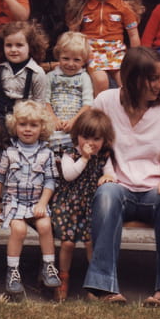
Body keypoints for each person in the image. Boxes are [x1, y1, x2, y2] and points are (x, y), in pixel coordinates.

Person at [83, 46, 160, 306]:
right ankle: (104, 288)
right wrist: (105, 170)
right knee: (106, 195)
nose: (159, 84)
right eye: (152, 78)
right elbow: (92, 142)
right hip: (118, 185)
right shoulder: (105, 101)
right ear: (132, 78)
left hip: (154, 190)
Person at [0, 99, 61, 297]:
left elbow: (50, 181)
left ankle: (49, 266)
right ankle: (13, 271)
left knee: (45, 225)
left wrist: (43, 203)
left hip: (37, 202)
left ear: (42, 127)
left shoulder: (46, 153)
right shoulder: (9, 152)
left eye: (33, 125)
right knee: (19, 230)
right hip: (14, 202)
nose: (28, 129)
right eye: (23, 124)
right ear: (15, 126)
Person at [50, 108, 115, 302]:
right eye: (85, 137)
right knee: (68, 243)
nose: (90, 143)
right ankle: (63, 277)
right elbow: (69, 175)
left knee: (90, 243)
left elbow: (110, 173)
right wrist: (85, 158)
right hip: (68, 204)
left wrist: (107, 176)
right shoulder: (70, 153)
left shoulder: (104, 155)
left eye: (96, 139)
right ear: (76, 135)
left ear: (104, 139)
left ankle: (95, 281)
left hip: (90, 205)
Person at [65, 0, 144, 96]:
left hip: (116, 51)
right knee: (101, 80)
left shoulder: (124, 8)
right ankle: (98, 109)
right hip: (91, 51)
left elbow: (133, 35)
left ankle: (124, 109)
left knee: (126, 82)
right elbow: (73, 35)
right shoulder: (81, 6)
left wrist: (135, 59)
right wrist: (75, 55)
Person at [0, 20, 49, 123]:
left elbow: (39, 104)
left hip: (24, 119)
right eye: (8, 45)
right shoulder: (0, 70)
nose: (13, 49)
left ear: (30, 47)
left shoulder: (37, 73)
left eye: (19, 45)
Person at [46, 30, 94, 153]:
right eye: (65, 58)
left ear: (84, 61)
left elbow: (88, 104)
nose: (70, 64)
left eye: (76, 60)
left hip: (75, 122)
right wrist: (53, 118)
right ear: (58, 56)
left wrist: (74, 121)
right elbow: (45, 101)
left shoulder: (84, 77)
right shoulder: (51, 76)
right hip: (54, 122)